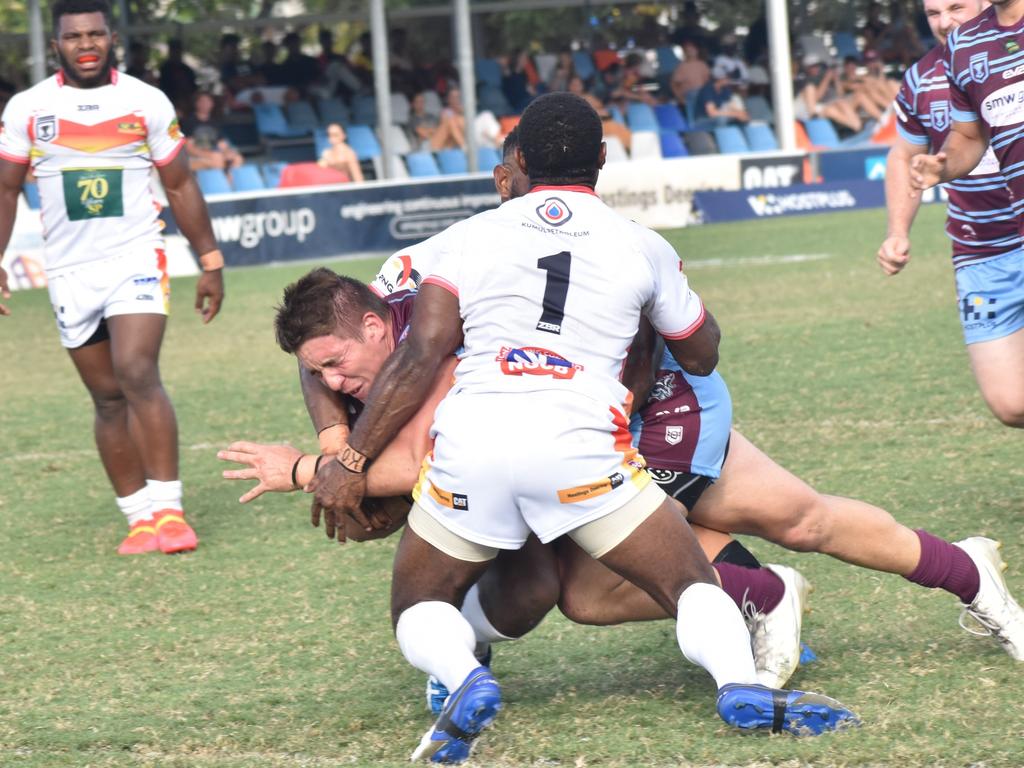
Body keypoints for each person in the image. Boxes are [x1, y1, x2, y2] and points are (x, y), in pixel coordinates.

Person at [307, 93, 861, 759]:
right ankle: (738, 684)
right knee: (687, 581)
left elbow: (420, 352)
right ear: (603, 158)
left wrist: (349, 458)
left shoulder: (468, 238)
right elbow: (702, 353)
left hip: (473, 443)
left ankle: (463, 677)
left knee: (420, 605)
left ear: (517, 160)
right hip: (580, 446)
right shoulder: (641, 245)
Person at [0, 0, 225, 555]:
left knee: (135, 370)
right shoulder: (28, 109)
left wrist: (210, 259)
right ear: (57, 45)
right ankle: (140, 519)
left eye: (95, 34)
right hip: (69, 271)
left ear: (111, 39)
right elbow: (6, 190)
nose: (86, 44)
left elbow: (179, 184)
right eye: (74, 36)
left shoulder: (144, 101)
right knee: (105, 397)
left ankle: (171, 512)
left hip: (136, 258)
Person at [879, 0, 1022, 429]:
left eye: (956, 7)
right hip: (981, 251)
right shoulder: (947, 61)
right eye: (933, 14)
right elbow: (953, 142)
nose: (945, 22)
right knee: (1010, 402)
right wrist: (899, 229)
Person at [182, 92, 244, 174]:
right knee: (217, 157)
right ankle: (220, 184)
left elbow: (222, 144)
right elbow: (189, 148)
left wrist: (227, 152)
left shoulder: (215, 122)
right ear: (196, 103)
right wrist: (209, 154)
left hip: (215, 153)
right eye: (202, 101)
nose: (206, 104)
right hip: (195, 157)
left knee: (237, 158)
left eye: (208, 101)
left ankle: (230, 183)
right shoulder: (189, 122)